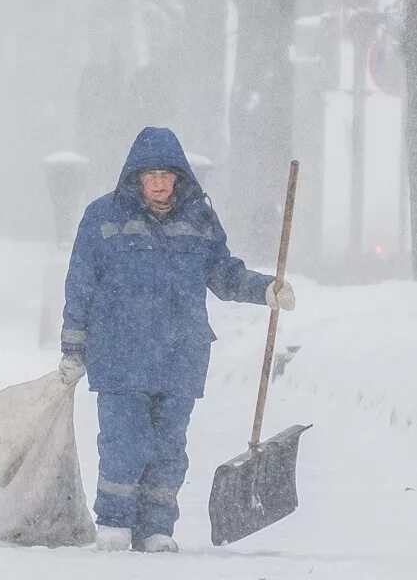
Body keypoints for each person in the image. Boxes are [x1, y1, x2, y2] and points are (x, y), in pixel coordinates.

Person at [59, 127, 295, 552]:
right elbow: (80, 284)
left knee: (169, 449)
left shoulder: (198, 220)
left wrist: (265, 289)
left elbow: (222, 273)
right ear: (135, 177)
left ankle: (156, 529)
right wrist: (73, 349)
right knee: (124, 443)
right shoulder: (104, 218)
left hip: (179, 356)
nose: (160, 183)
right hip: (120, 355)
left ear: (179, 177)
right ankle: (114, 523)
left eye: (167, 174)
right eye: (151, 174)